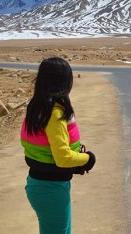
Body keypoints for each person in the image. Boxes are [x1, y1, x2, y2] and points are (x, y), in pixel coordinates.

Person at [20, 57, 96, 234]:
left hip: (44, 185)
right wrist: (88, 158)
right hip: (50, 189)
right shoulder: (54, 112)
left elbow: (46, 152)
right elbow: (63, 158)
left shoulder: (38, 106)